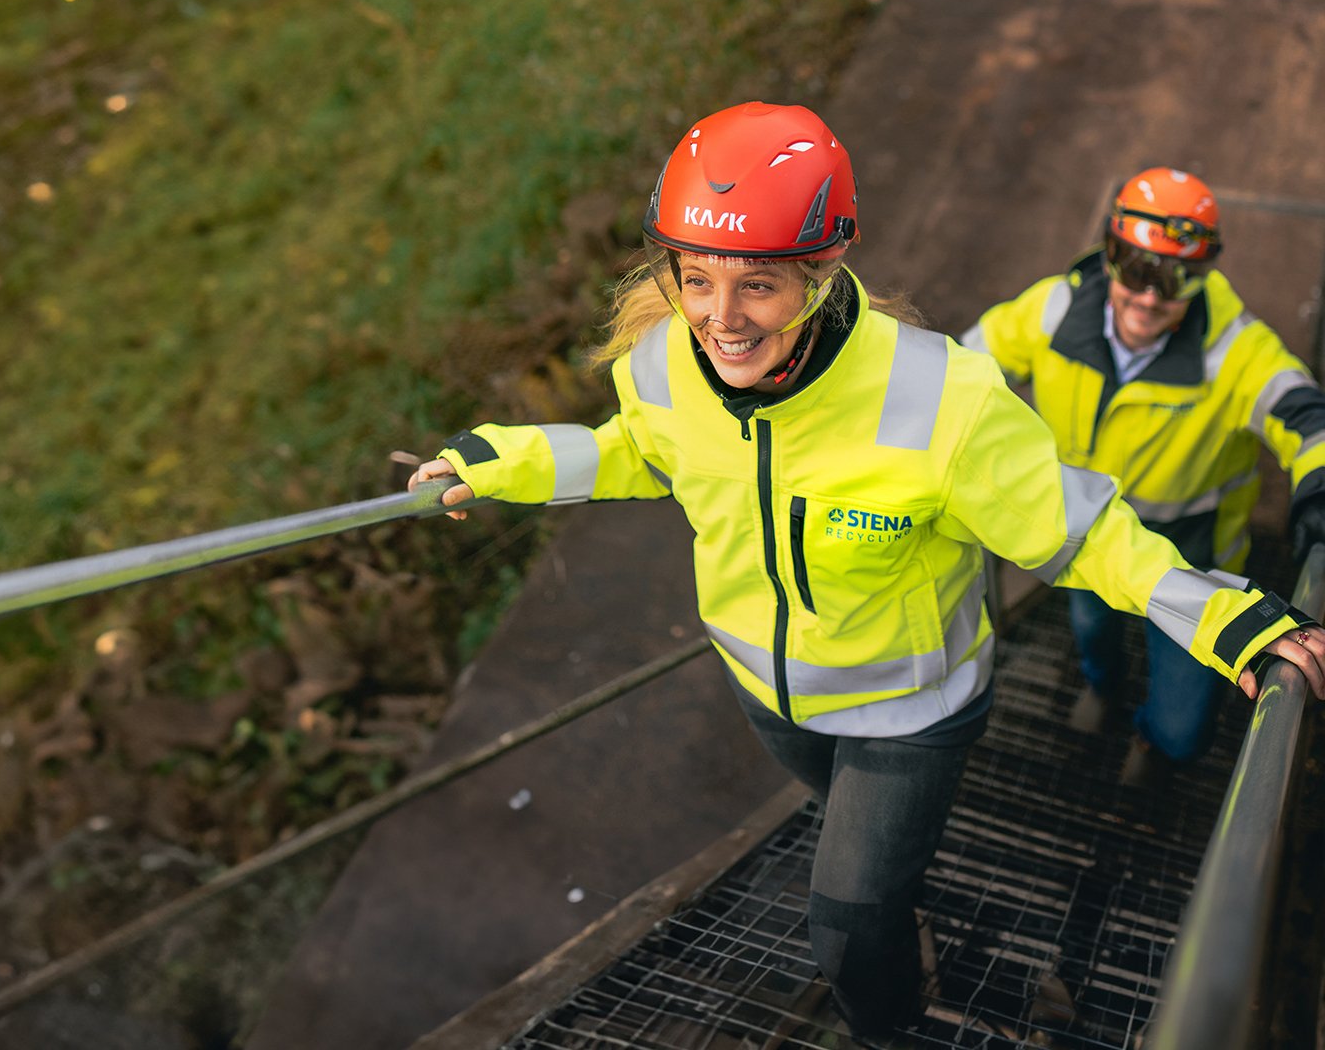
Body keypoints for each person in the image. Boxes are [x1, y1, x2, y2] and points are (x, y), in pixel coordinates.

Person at [406, 102, 1325, 1040]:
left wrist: (1224, 618)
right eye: (696, 279)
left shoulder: (942, 401)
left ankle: (891, 1030)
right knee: (868, 880)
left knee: (844, 922)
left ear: (823, 267)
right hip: (769, 697)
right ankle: (900, 911)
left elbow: (1082, 536)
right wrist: (505, 462)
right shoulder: (663, 359)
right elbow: (640, 449)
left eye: (758, 286)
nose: (720, 320)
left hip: (909, 713)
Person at [961, 168, 1325, 785]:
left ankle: (1157, 741)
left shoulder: (1233, 350)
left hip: (1191, 554)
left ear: (1205, 275)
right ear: (1109, 253)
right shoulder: (1052, 310)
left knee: (1185, 729)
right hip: (1080, 531)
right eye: (1135, 268)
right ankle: (1104, 688)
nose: (1150, 297)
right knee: (1091, 628)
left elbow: (1305, 416)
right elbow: (959, 369)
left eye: (1176, 277)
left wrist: (1317, 488)